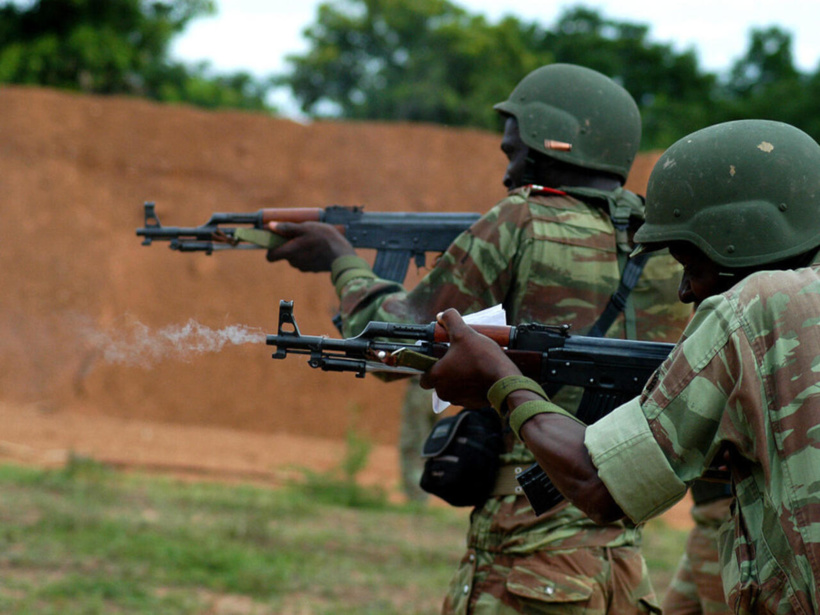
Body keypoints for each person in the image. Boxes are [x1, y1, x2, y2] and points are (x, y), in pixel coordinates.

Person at [267, 63, 692, 613]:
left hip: (525, 560)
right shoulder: (662, 243)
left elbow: (394, 338)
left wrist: (340, 260)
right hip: (621, 564)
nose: (508, 168)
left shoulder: (522, 219)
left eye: (515, 151)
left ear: (551, 144)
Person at [419, 118, 820, 614]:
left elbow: (599, 484)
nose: (684, 292)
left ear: (747, 237)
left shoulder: (754, 306)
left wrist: (501, 381)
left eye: (692, 266)